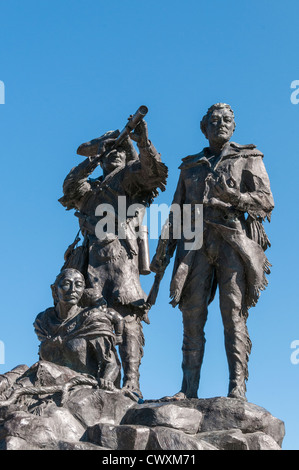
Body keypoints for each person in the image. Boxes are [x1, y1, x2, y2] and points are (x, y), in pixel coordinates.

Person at [151, 103, 274, 400]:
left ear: (234, 126)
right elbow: (176, 212)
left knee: (232, 315)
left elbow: (266, 201)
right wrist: (162, 252)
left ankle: (237, 387)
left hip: (232, 240)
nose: (220, 124)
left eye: (226, 120)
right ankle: (188, 389)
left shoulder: (248, 157)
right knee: (192, 317)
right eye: (214, 120)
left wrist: (235, 197)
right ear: (204, 127)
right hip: (194, 243)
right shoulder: (190, 166)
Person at [59, 119, 167, 398]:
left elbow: (153, 173)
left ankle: (132, 380)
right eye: (110, 151)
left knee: (128, 317)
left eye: (121, 149)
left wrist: (142, 142)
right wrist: (94, 156)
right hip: (89, 263)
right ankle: (95, 376)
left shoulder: (130, 178)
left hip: (121, 260)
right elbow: (70, 188)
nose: (116, 153)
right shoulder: (91, 188)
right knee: (90, 319)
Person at [34, 268, 124, 391]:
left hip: (82, 385)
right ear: (54, 290)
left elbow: (110, 363)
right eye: (66, 284)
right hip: (47, 380)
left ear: (82, 291)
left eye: (78, 285)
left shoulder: (92, 319)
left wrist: (106, 381)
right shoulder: (43, 321)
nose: (72, 290)